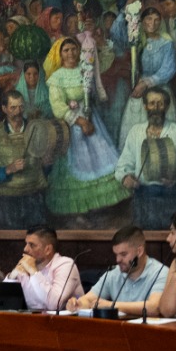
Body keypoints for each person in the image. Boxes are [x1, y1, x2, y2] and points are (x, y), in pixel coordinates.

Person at [44, 36, 126, 217]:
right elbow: (57, 106)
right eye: (66, 50)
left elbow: (94, 90)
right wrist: (80, 121)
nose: (71, 53)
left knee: (101, 158)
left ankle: (100, 208)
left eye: (74, 49)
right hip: (72, 126)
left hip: (91, 118)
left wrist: (89, 105)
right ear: (60, 54)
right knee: (79, 164)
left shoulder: (85, 69)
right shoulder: (56, 78)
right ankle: (78, 214)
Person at [113, 87, 176, 230]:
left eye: (160, 103)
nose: (156, 108)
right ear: (145, 106)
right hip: (143, 197)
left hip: (171, 197)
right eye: (152, 103)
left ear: (167, 106)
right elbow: (122, 166)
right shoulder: (136, 132)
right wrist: (126, 177)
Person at [0, 90, 51, 230]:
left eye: (21, 107)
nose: (18, 112)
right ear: (4, 109)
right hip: (6, 202)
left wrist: (47, 164)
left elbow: (46, 168)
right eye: (13, 108)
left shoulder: (36, 130)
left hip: (33, 199)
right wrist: (7, 169)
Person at [72, 225, 169, 317]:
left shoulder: (160, 272)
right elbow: (89, 299)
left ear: (139, 251)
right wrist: (77, 304)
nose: (118, 260)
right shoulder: (114, 274)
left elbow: (154, 307)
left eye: (123, 254)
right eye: (116, 254)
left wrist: (112, 305)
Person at [116, 6, 176, 138]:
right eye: (149, 19)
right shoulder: (136, 40)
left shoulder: (166, 42)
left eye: (156, 20)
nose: (152, 23)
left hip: (160, 87)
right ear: (142, 21)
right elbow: (115, 34)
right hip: (139, 88)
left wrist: (147, 83)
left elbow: (169, 69)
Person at [5, 226, 81, 312]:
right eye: (26, 244)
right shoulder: (26, 266)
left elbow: (55, 305)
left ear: (48, 249)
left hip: (64, 322)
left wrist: (33, 272)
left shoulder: (65, 264)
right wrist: (13, 275)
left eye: (32, 245)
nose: (25, 249)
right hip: (31, 321)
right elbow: (3, 301)